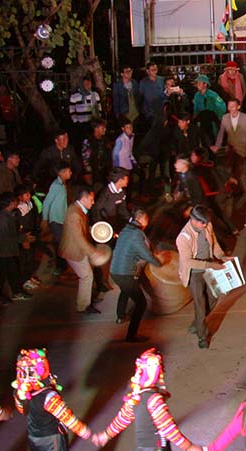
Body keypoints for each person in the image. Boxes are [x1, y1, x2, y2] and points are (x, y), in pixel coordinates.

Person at [175, 205, 232, 349]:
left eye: (207, 222)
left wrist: (221, 256)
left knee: (214, 297)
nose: (206, 225)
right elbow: (187, 262)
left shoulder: (207, 225)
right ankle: (202, 337)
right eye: (203, 223)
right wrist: (210, 265)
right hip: (194, 272)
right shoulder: (183, 237)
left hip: (208, 266)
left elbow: (213, 243)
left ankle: (197, 323)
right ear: (193, 220)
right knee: (199, 304)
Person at [110, 208, 162, 342]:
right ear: (142, 219)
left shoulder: (125, 230)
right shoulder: (136, 234)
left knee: (125, 290)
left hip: (115, 271)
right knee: (141, 303)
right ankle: (131, 335)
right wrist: (158, 263)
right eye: (146, 220)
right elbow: (145, 253)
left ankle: (120, 316)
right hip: (126, 273)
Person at [59, 187, 101, 314]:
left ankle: (86, 300)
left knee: (87, 274)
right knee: (87, 276)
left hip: (76, 249)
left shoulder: (78, 209)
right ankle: (83, 305)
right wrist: (93, 252)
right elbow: (78, 238)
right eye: (91, 200)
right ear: (83, 199)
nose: (93, 202)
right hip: (74, 250)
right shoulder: (75, 214)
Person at [0, 192, 33, 304]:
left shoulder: (7, 215)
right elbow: (7, 237)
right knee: (2, 275)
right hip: (3, 251)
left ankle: (16, 291)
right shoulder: (4, 218)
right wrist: (23, 238)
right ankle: (0, 295)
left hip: (6, 250)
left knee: (11, 272)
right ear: (10, 203)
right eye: (15, 200)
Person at [41, 163, 73, 276]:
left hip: (61, 219)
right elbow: (47, 202)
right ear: (61, 172)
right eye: (68, 171)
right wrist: (45, 219)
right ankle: (60, 267)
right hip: (56, 220)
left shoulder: (62, 184)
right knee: (61, 244)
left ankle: (61, 266)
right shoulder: (56, 186)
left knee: (62, 243)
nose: (70, 173)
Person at [81, 119, 112, 187]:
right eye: (102, 128)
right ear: (96, 129)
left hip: (104, 172)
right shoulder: (88, 141)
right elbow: (86, 159)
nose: (105, 129)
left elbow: (109, 156)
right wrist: (88, 172)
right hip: (94, 172)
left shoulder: (106, 140)